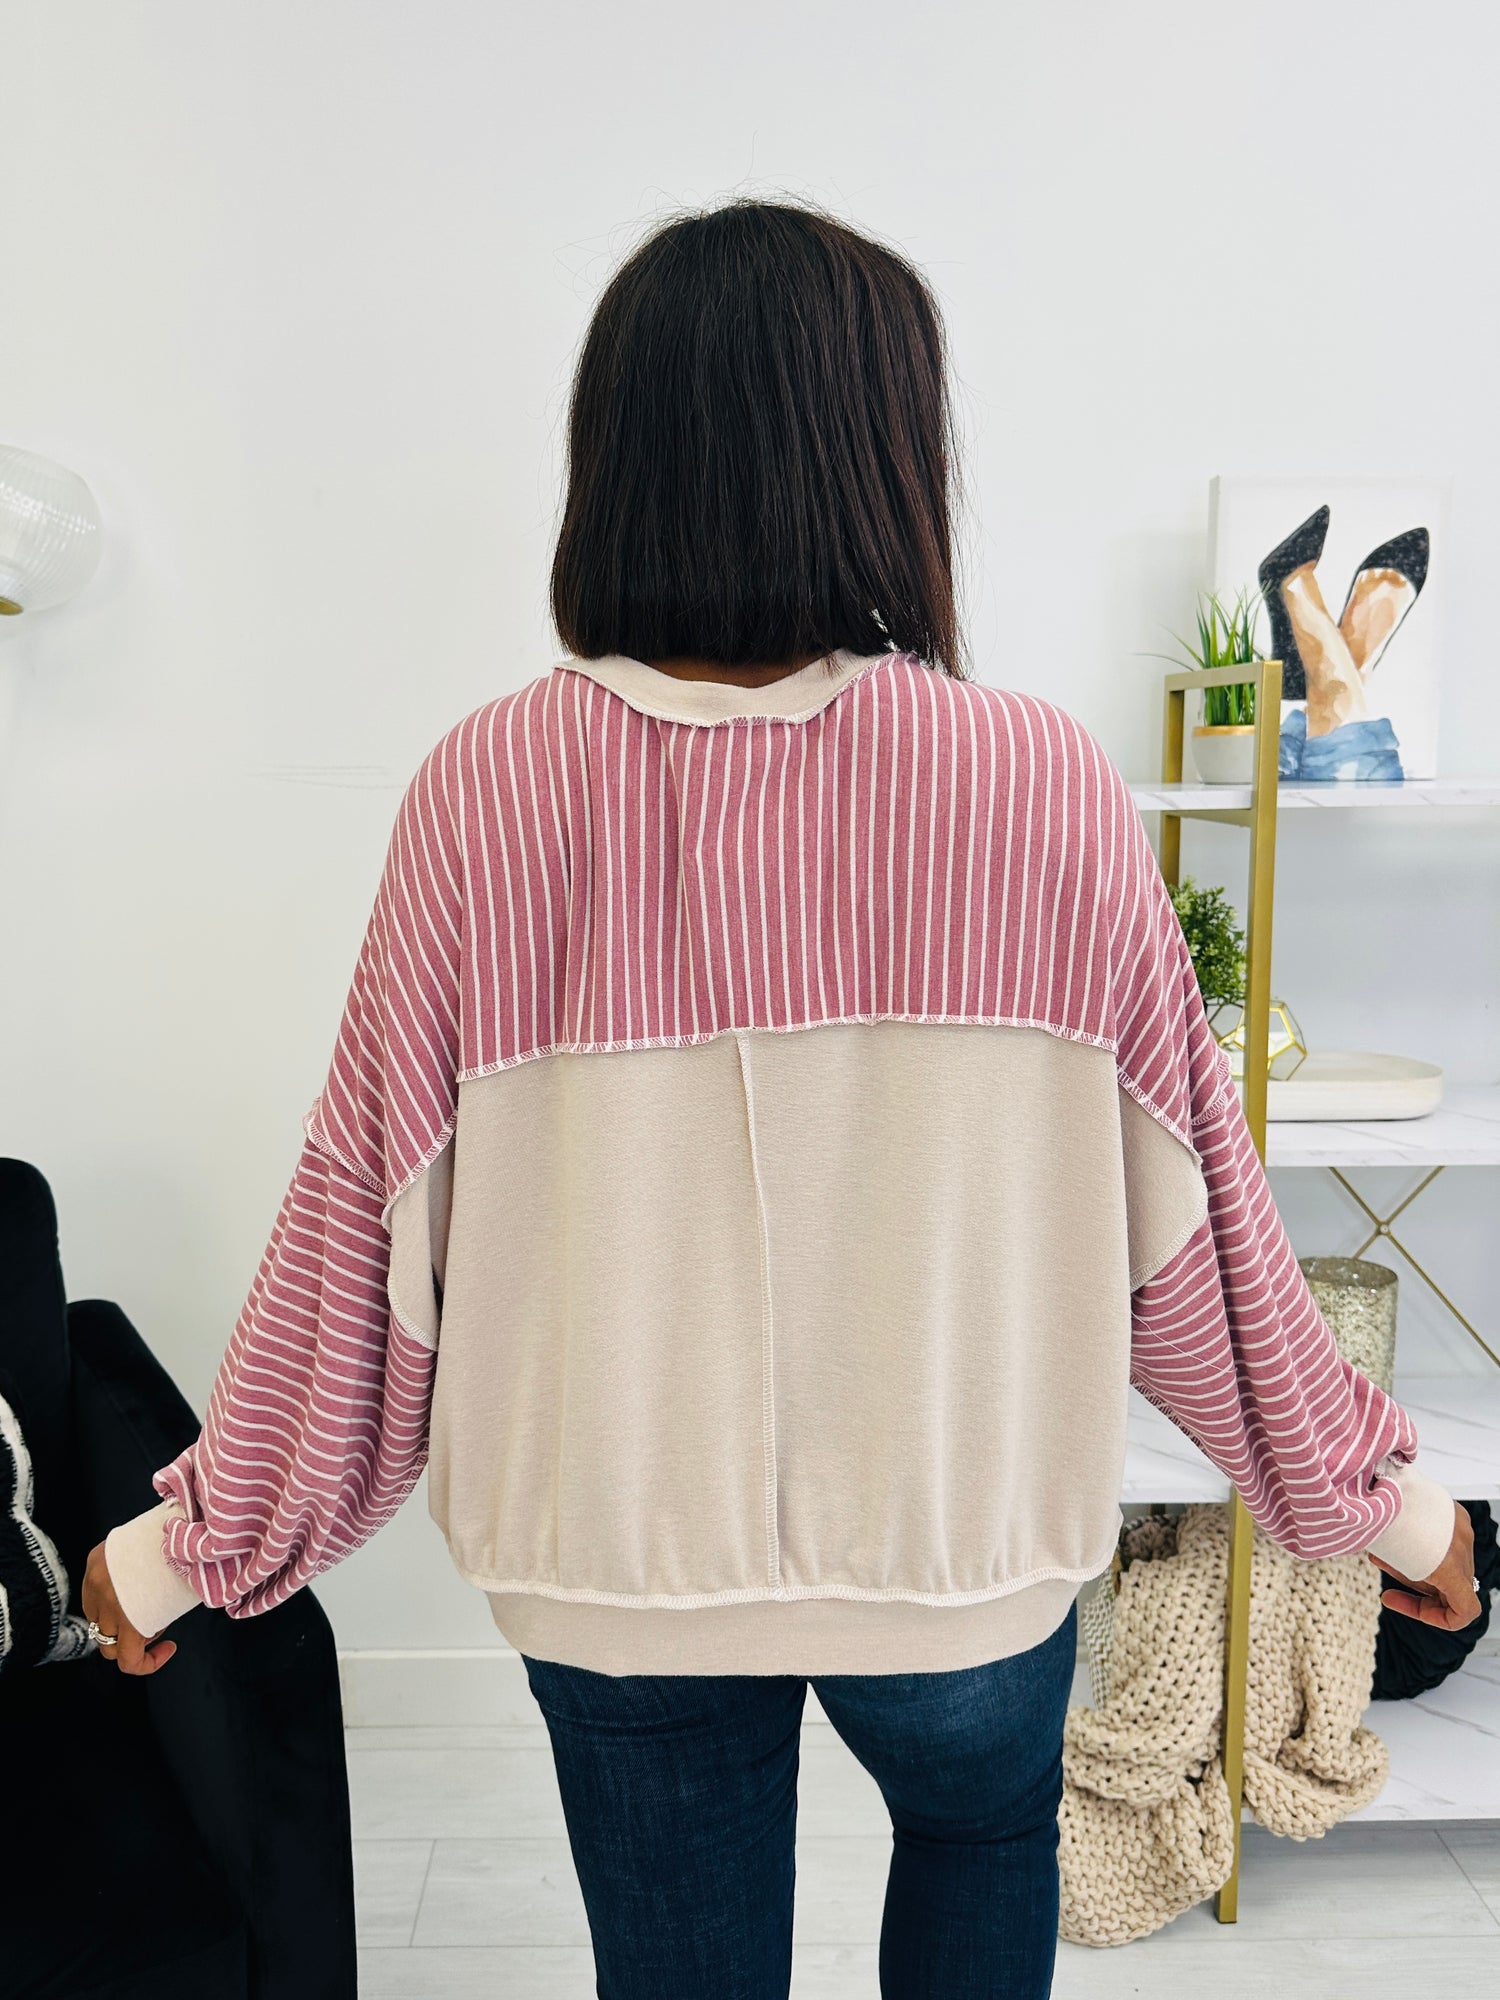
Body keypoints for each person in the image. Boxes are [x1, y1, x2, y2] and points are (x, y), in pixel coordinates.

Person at [84, 199, 1479, 2000]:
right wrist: (1398, 1515)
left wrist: (174, 1557)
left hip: (613, 1566)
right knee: (981, 1840)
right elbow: (1197, 1257)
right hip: (964, 1556)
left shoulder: (488, 793)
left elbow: (360, 1249)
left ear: (616, 459)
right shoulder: (1038, 786)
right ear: (890, 450)